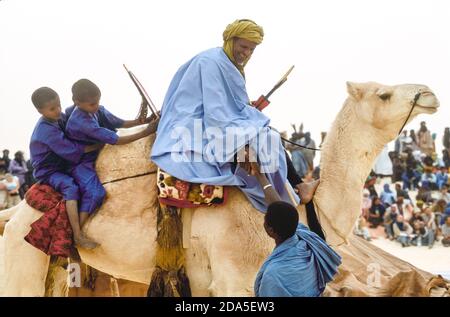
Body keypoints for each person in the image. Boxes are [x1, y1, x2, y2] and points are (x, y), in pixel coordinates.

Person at [150, 19, 319, 213]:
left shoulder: (227, 63)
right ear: (231, 41)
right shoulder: (212, 63)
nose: (246, 53)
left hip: (213, 121)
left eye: (251, 49)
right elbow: (216, 115)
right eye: (243, 46)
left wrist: (248, 110)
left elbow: (229, 106)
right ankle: (280, 198)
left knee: (267, 132)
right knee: (267, 139)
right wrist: (241, 144)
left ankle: (296, 186)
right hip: (194, 125)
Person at [65, 79, 159, 229]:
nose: (96, 106)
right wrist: (147, 131)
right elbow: (116, 139)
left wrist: (144, 121)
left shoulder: (96, 109)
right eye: (92, 104)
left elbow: (119, 123)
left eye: (97, 102)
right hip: (80, 162)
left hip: (97, 153)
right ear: (76, 102)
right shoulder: (81, 122)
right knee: (95, 193)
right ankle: (77, 233)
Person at [250, 162, 341, 297]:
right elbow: (275, 203)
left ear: (270, 230)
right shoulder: (303, 237)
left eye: (266, 219)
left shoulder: (273, 276)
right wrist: (259, 175)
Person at [30, 87, 102, 249]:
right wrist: (99, 144)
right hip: (49, 171)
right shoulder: (45, 131)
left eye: (59, 105)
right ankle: (76, 235)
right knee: (71, 187)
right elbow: (70, 149)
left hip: (64, 163)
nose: (58, 111)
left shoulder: (59, 117)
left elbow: (75, 114)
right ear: (40, 111)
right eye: (52, 109)